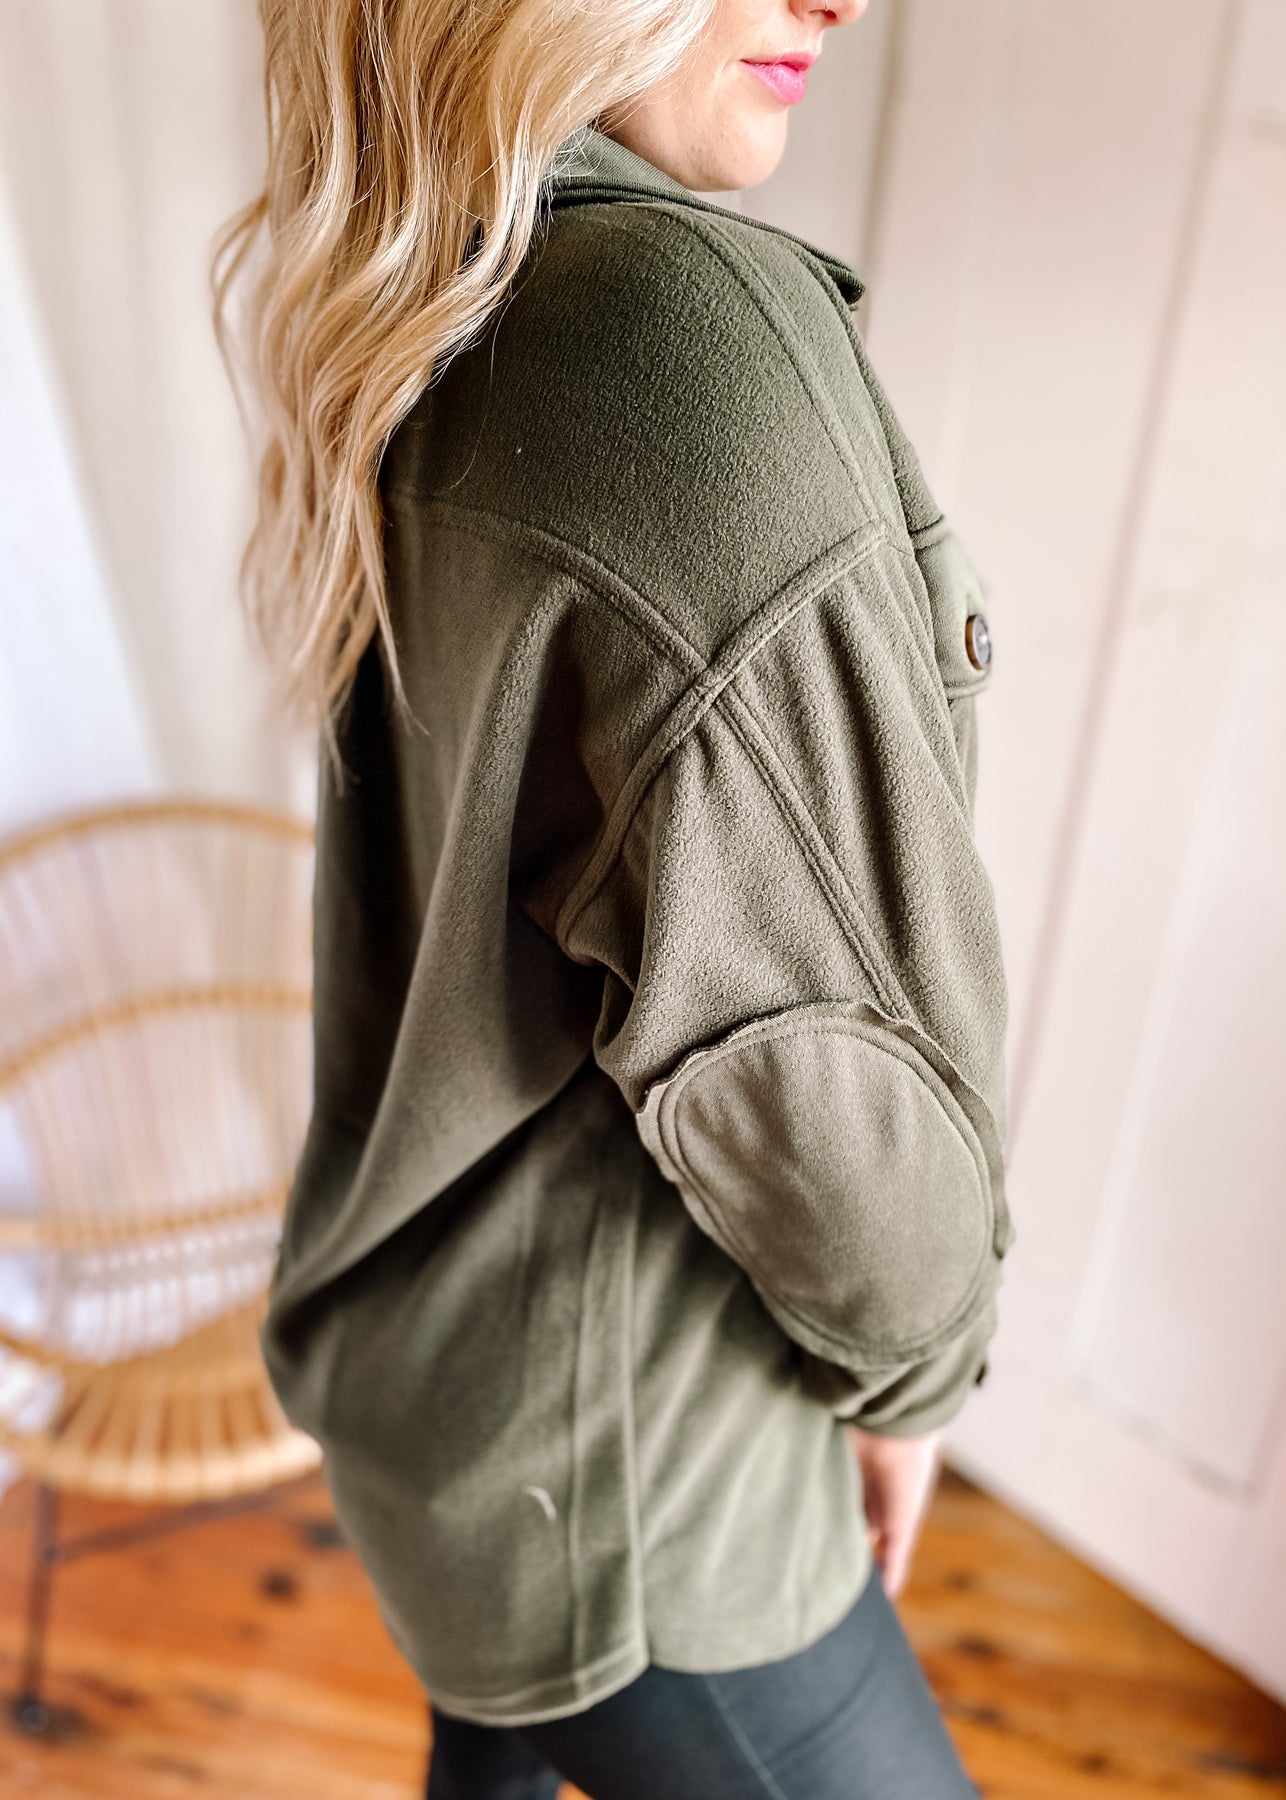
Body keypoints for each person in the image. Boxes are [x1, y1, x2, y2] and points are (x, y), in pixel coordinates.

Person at [213, 0, 1017, 1793]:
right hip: (645, 1498)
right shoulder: (672, 341)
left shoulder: (433, 297)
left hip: (448, 1423)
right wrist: (918, 1381)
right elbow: (831, 1103)